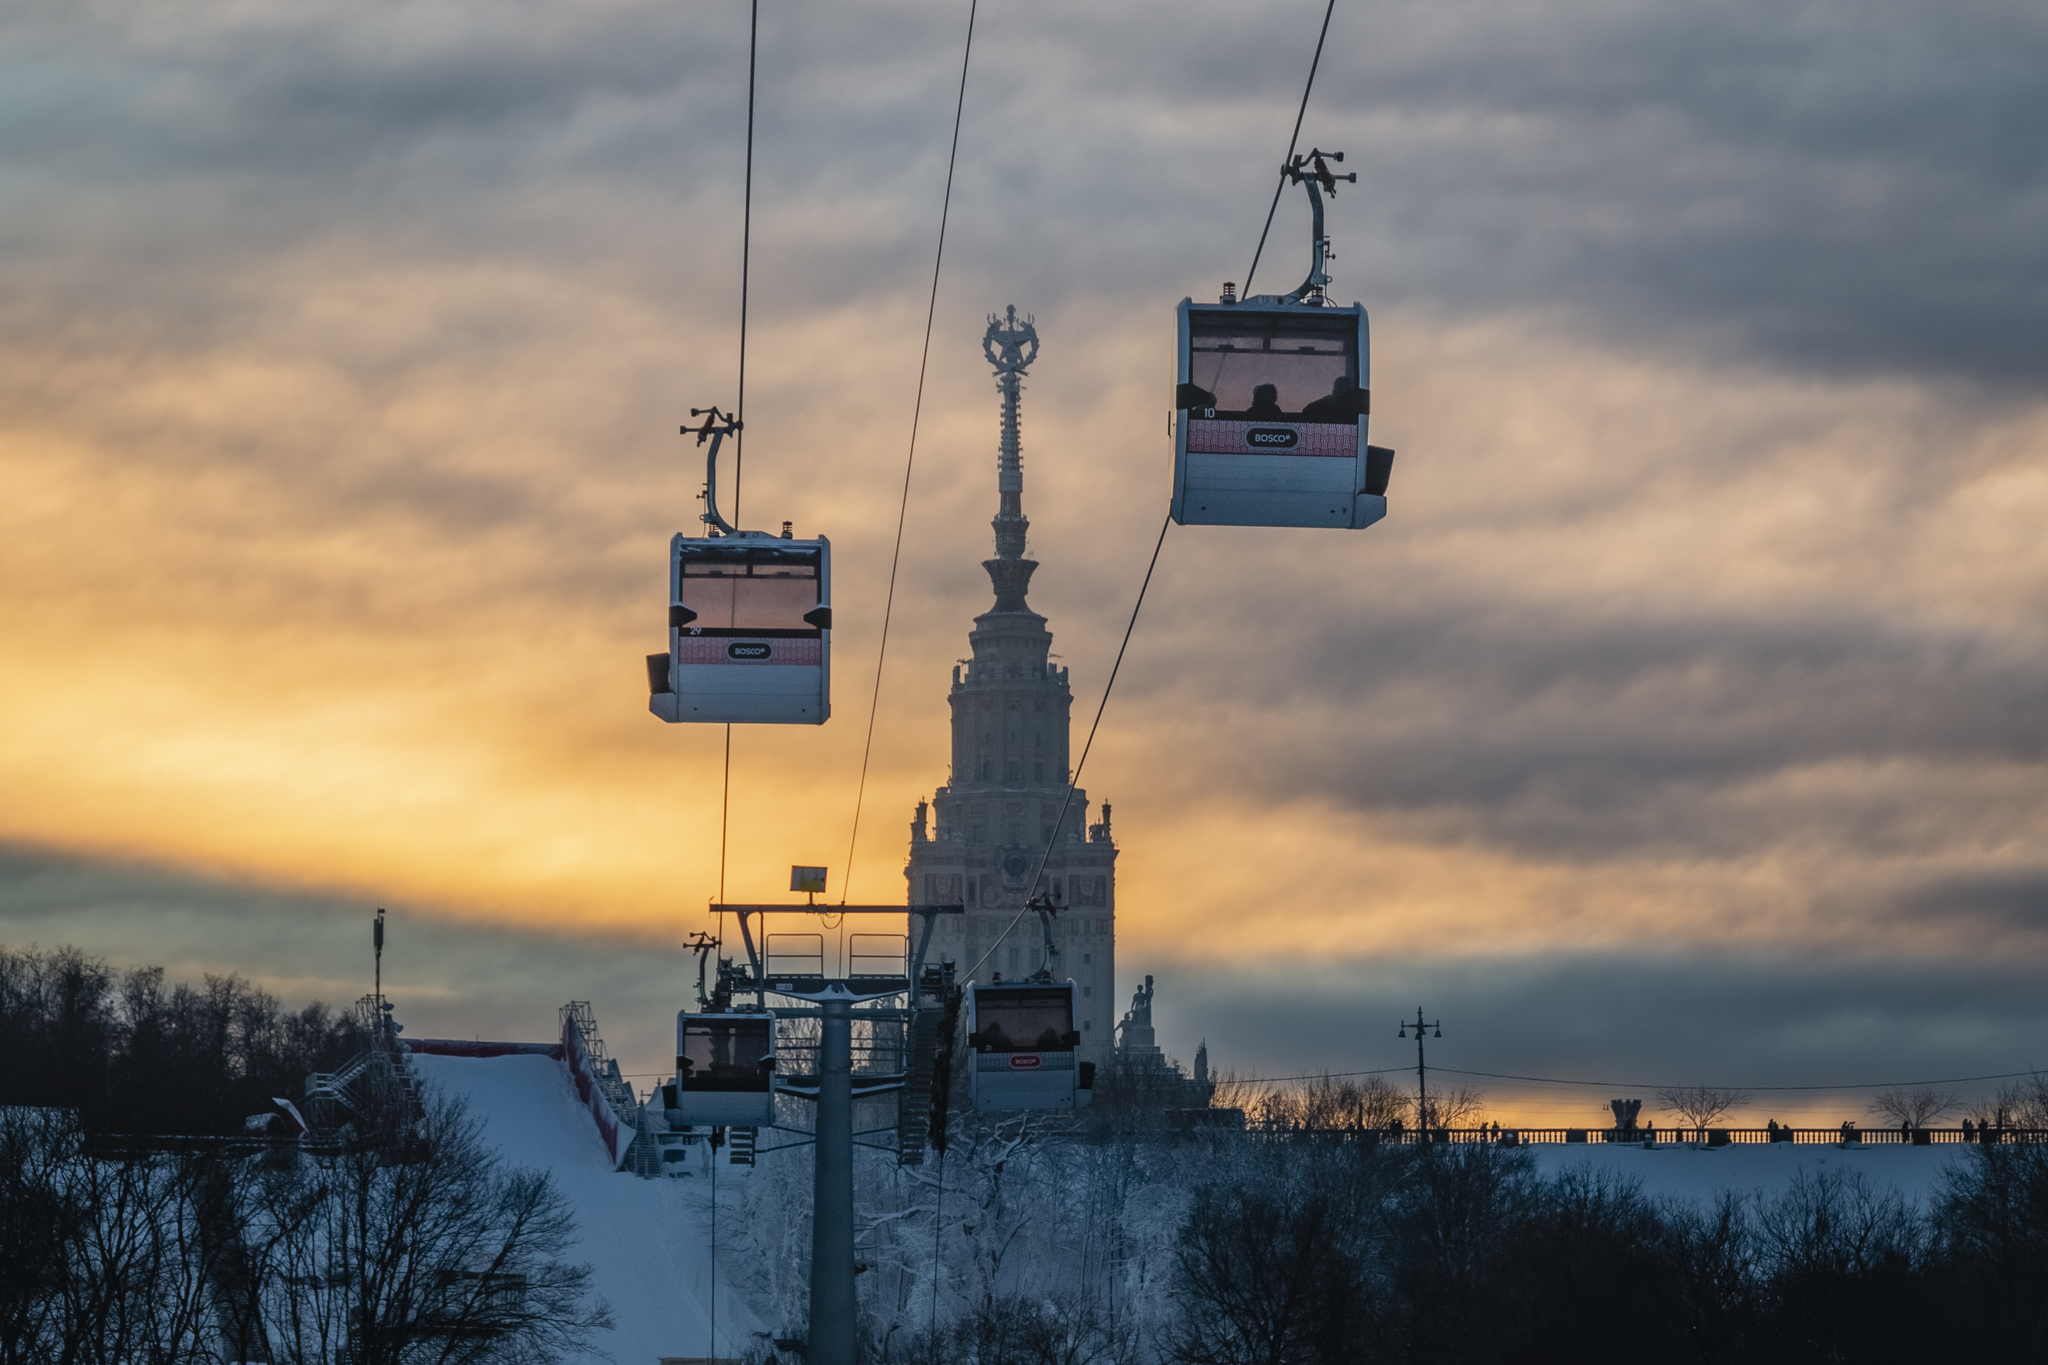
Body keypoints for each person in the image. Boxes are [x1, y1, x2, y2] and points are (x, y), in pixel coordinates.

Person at [1301, 374, 1366, 422]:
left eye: (1345, 391)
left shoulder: (1358, 404)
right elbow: (1307, 410)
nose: (1342, 395)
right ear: (1334, 391)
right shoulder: (1328, 401)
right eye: (1339, 390)